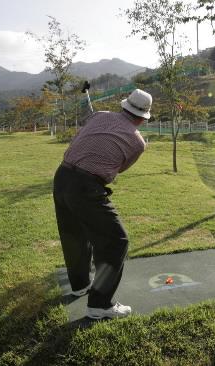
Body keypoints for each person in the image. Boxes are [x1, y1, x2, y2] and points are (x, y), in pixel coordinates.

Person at [53, 89, 151, 319]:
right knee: (116, 241)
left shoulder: (100, 115)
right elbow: (118, 169)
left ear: (124, 107)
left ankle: (80, 284)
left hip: (62, 176)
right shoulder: (137, 142)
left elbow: (79, 139)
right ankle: (100, 304)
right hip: (87, 186)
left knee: (74, 233)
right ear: (142, 117)